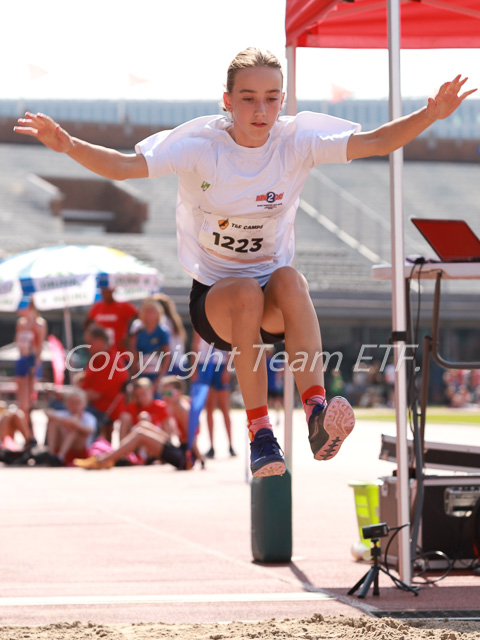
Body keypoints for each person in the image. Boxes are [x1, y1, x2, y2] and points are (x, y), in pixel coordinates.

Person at [14, 49, 475, 477]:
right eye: (249, 99)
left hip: (271, 295)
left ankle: (316, 409)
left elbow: (376, 141)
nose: (261, 111)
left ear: (283, 100)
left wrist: (430, 114)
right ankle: (260, 435)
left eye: (272, 99)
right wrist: (68, 143)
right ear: (227, 101)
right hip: (216, 299)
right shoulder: (199, 144)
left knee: (291, 280)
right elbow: (122, 167)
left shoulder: (297, 140)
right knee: (244, 293)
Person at [74, 375, 201, 470]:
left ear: (179, 393)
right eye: (163, 393)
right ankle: (110, 457)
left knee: (141, 433)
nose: (165, 396)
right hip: (179, 451)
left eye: (169, 393)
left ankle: (104, 460)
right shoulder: (174, 406)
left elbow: (192, 437)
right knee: (142, 427)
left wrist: (200, 459)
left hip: (186, 458)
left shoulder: (181, 408)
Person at [75, 324, 130, 439]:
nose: (87, 347)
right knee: (58, 408)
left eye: (89, 342)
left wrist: (69, 396)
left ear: (100, 341)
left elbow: (94, 395)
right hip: (91, 405)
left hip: (101, 410)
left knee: (61, 409)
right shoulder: (97, 358)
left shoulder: (111, 362)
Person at [192, 332, 236, 458]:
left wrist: (227, 369)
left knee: (224, 407)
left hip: (220, 365)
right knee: (209, 406)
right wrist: (194, 368)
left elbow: (229, 346)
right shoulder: (198, 324)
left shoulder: (220, 321)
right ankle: (211, 446)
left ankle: (231, 445)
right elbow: (195, 346)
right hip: (204, 365)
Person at [45, 388, 97, 466]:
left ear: (84, 404)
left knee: (74, 430)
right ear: (66, 404)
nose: (75, 406)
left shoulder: (89, 417)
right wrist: (67, 421)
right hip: (62, 446)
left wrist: (76, 424)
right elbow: (48, 413)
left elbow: (90, 431)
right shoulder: (64, 414)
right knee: (53, 423)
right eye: (72, 402)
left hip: (80, 451)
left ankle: (60, 457)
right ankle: (51, 455)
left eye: (78, 403)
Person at [14, 299, 47, 418]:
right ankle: (22, 414)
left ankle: (28, 417)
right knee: (20, 389)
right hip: (22, 357)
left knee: (30, 390)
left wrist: (36, 363)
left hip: (33, 358)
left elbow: (40, 346)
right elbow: (18, 342)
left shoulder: (39, 323)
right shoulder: (21, 323)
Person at [128, 298, 170, 387]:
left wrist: (161, 376)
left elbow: (167, 354)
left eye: (152, 311)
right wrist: (134, 375)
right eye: (147, 311)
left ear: (158, 314)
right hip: (142, 372)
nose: (149, 314)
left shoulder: (162, 331)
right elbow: (134, 353)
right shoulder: (138, 331)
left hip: (156, 373)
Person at [85, 286, 137, 352]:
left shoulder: (124, 306)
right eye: (104, 289)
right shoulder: (96, 307)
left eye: (108, 289)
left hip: (120, 352)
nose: (106, 292)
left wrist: (130, 337)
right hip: (102, 353)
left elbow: (139, 318)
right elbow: (86, 324)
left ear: (113, 290)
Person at [119, 376, 171, 441]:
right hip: (136, 440)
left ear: (151, 390)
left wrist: (146, 427)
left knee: (144, 417)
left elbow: (167, 434)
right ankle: (123, 446)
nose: (141, 398)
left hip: (155, 440)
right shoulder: (132, 407)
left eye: (143, 394)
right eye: (138, 395)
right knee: (125, 416)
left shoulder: (161, 406)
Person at [153, 293, 187, 376]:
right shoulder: (174, 320)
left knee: (167, 388)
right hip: (181, 361)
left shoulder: (163, 321)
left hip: (171, 361)